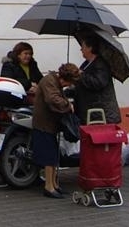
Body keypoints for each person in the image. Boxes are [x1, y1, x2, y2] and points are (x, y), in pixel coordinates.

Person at [31, 63, 81, 198]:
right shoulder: (49, 81)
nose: (67, 86)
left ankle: (54, 184)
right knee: (49, 156)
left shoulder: (54, 81)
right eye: (68, 83)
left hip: (50, 124)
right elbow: (52, 99)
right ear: (64, 78)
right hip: (44, 124)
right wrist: (67, 105)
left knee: (53, 156)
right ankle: (49, 187)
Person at [75, 31, 121, 124]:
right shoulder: (86, 64)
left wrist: (81, 75)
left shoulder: (100, 64)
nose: (81, 49)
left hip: (101, 114)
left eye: (83, 46)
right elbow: (82, 83)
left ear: (90, 48)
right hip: (91, 112)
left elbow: (98, 83)